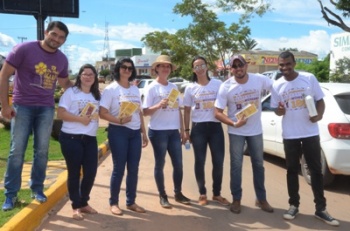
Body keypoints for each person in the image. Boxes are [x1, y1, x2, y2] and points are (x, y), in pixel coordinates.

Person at [0, 21, 72, 211]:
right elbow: (4, 75)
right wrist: (5, 105)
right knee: (17, 151)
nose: (56, 39)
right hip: (22, 106)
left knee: (42, 151)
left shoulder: (62, 59)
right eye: (54, 34)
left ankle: (37, 188)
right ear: (46, 32)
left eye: (61, 37)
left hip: (46, 109)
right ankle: (10, 195)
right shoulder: (23, 49)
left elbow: (65, 82)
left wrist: (87, 94)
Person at [271, 51, 339, 226]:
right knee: (292, 170)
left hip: (310, 132)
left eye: (288, 64)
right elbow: (276, 110)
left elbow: (320, 101)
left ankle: (321, 209)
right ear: (278, 66)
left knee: (316, 171)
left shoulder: (309, 78)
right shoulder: (277, 85)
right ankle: (293, 205)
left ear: (294, 63)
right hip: (290, 134)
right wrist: (279, 111)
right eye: (281, 65)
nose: (285, 68)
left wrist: (319, 115)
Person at [214, 54, 274, 214]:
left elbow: (276, 87)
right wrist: (234, 123)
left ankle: (261, 199)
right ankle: (236, 199)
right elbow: (217, 112)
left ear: (246, 65)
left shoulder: (259, 79)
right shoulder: (225, 86)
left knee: (259, 166)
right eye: (235, 66)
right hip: (236, 132)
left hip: (256, 131)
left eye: (240, 65)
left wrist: (278, 104)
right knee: (236, 166)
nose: (238, 68)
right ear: (231, 69)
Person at [99, 57, 148, 216]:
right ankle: (113, 203)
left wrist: (143, 133)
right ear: (118, 69)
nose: (127, 70)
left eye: (129, 68)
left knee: (133, 168)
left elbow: (139, 112)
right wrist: (118, 120)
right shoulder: (111, 89)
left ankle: (131, 202)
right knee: (119, 168)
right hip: (118, 132)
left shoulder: (135, 89)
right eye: (124, 67)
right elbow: (102, 113)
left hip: (134, 133)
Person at [142, 55, 190, 208]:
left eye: (168, 66)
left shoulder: (173, 87)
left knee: (178, 164)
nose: (165, 69)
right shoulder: (151, 88)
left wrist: (183, 131)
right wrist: (158, 105)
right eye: (162, 66)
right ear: (156, 68)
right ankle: (162, 195)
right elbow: (145, 112)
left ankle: (178, 193)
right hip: (158, 132)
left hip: (173, 132)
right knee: (160, 164)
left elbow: (178, 110)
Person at [183, 56, 229, 206]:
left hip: (215, 127)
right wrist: (186, 131)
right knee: (200, 161)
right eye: (196, 67)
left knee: (218, 162)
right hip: (198, 129)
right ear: (193, 70)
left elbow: (225, 103)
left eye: (202, 65)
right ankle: (202, 193)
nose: (200, 69)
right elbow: (187, 111)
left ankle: (217, 193)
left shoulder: (217, 84)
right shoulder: (190, 88)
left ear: (207, 66)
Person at [57, 64, 100, 220]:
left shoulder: (96, 95)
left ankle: (83, 202)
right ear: (80, 76)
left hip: (90, 139)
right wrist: (80, 119)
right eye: (85, 74)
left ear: (95, 78)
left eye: (91, 74)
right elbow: (60, 113)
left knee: (90, 172)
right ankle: (76, 206)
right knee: (74, 172)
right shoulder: (71, 93)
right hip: (71, 138)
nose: (88, 76)